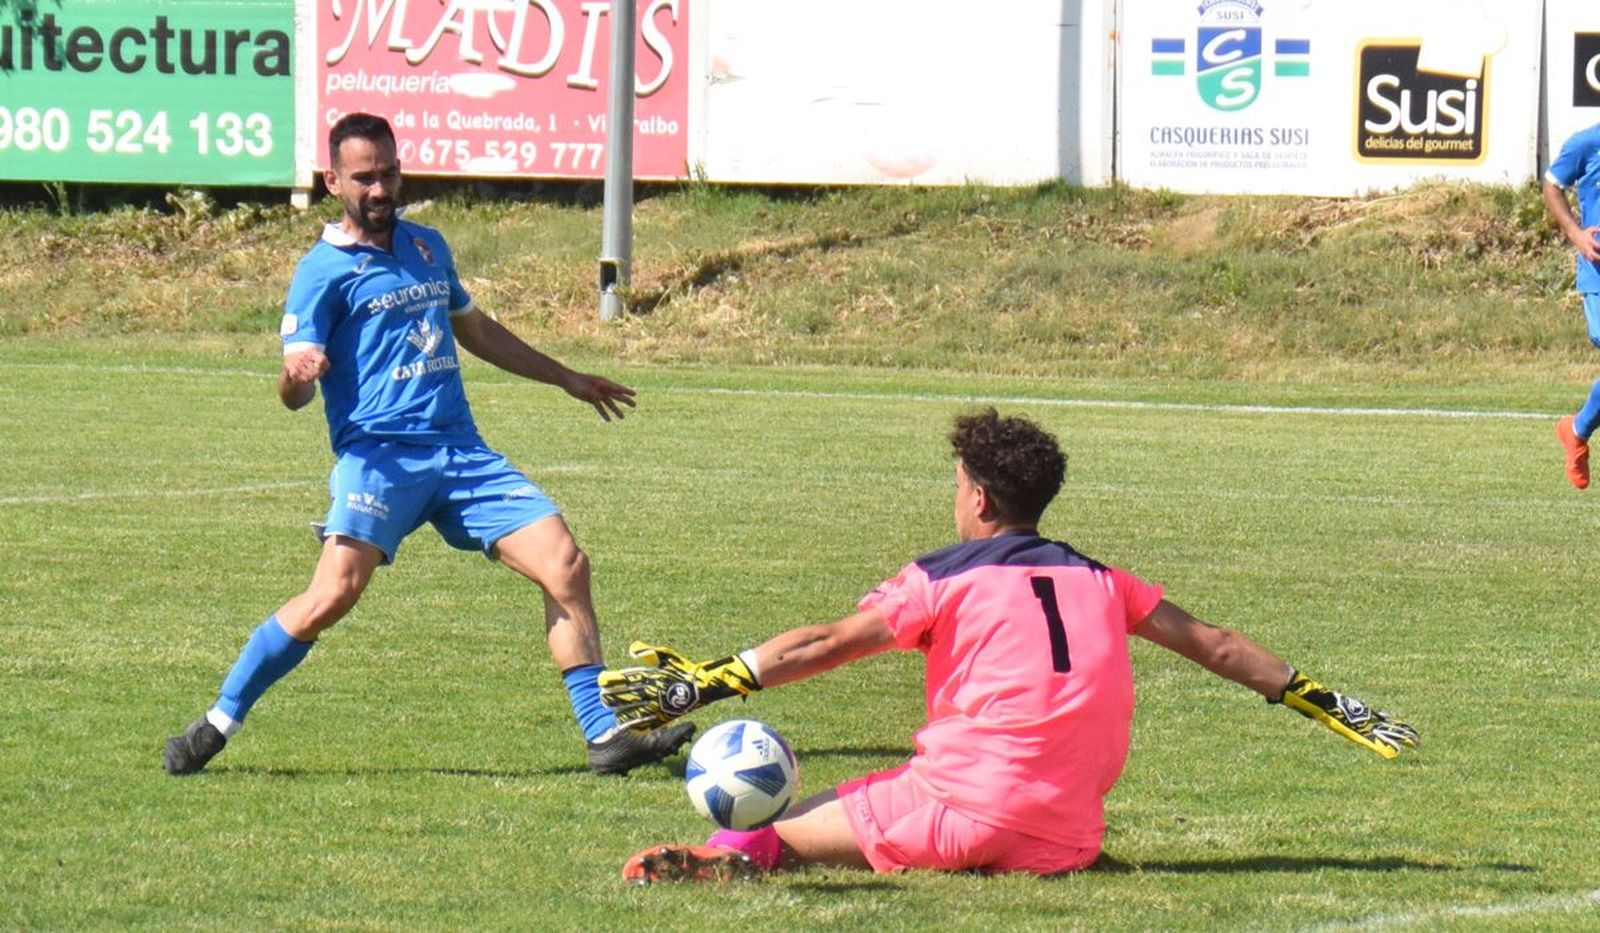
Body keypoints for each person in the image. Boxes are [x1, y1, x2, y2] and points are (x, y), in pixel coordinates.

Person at [599, 409, 1419, 883]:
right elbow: (1218, 644)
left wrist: (707, 683)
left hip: (962, 815)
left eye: (956, 484)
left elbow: (826, 642)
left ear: (981, 498)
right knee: (932, 786)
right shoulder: (1104, 579)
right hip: (1070, 836)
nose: (952, 496)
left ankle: (727, 861)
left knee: (777, 826)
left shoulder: (943, 577)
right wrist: (1327, 701)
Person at [162, 112, 694, 777]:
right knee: (331, 595)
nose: (380, 188)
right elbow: (295, 387)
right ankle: (219, 719)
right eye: (364, 178)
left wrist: (565, 376)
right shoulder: (321, 272)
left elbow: (475, 329)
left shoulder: (425, 246)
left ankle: (603, 735)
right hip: (379, 461)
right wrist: (293, 379)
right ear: (334, 182)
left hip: (460, 453)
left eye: (388, 172)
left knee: (565, 563)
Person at [1543, 123, 1600, 490]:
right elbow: (1552, 185)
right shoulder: (1587, 142)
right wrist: (1576, 233)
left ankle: (1576, 431)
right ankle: (1576, 431)